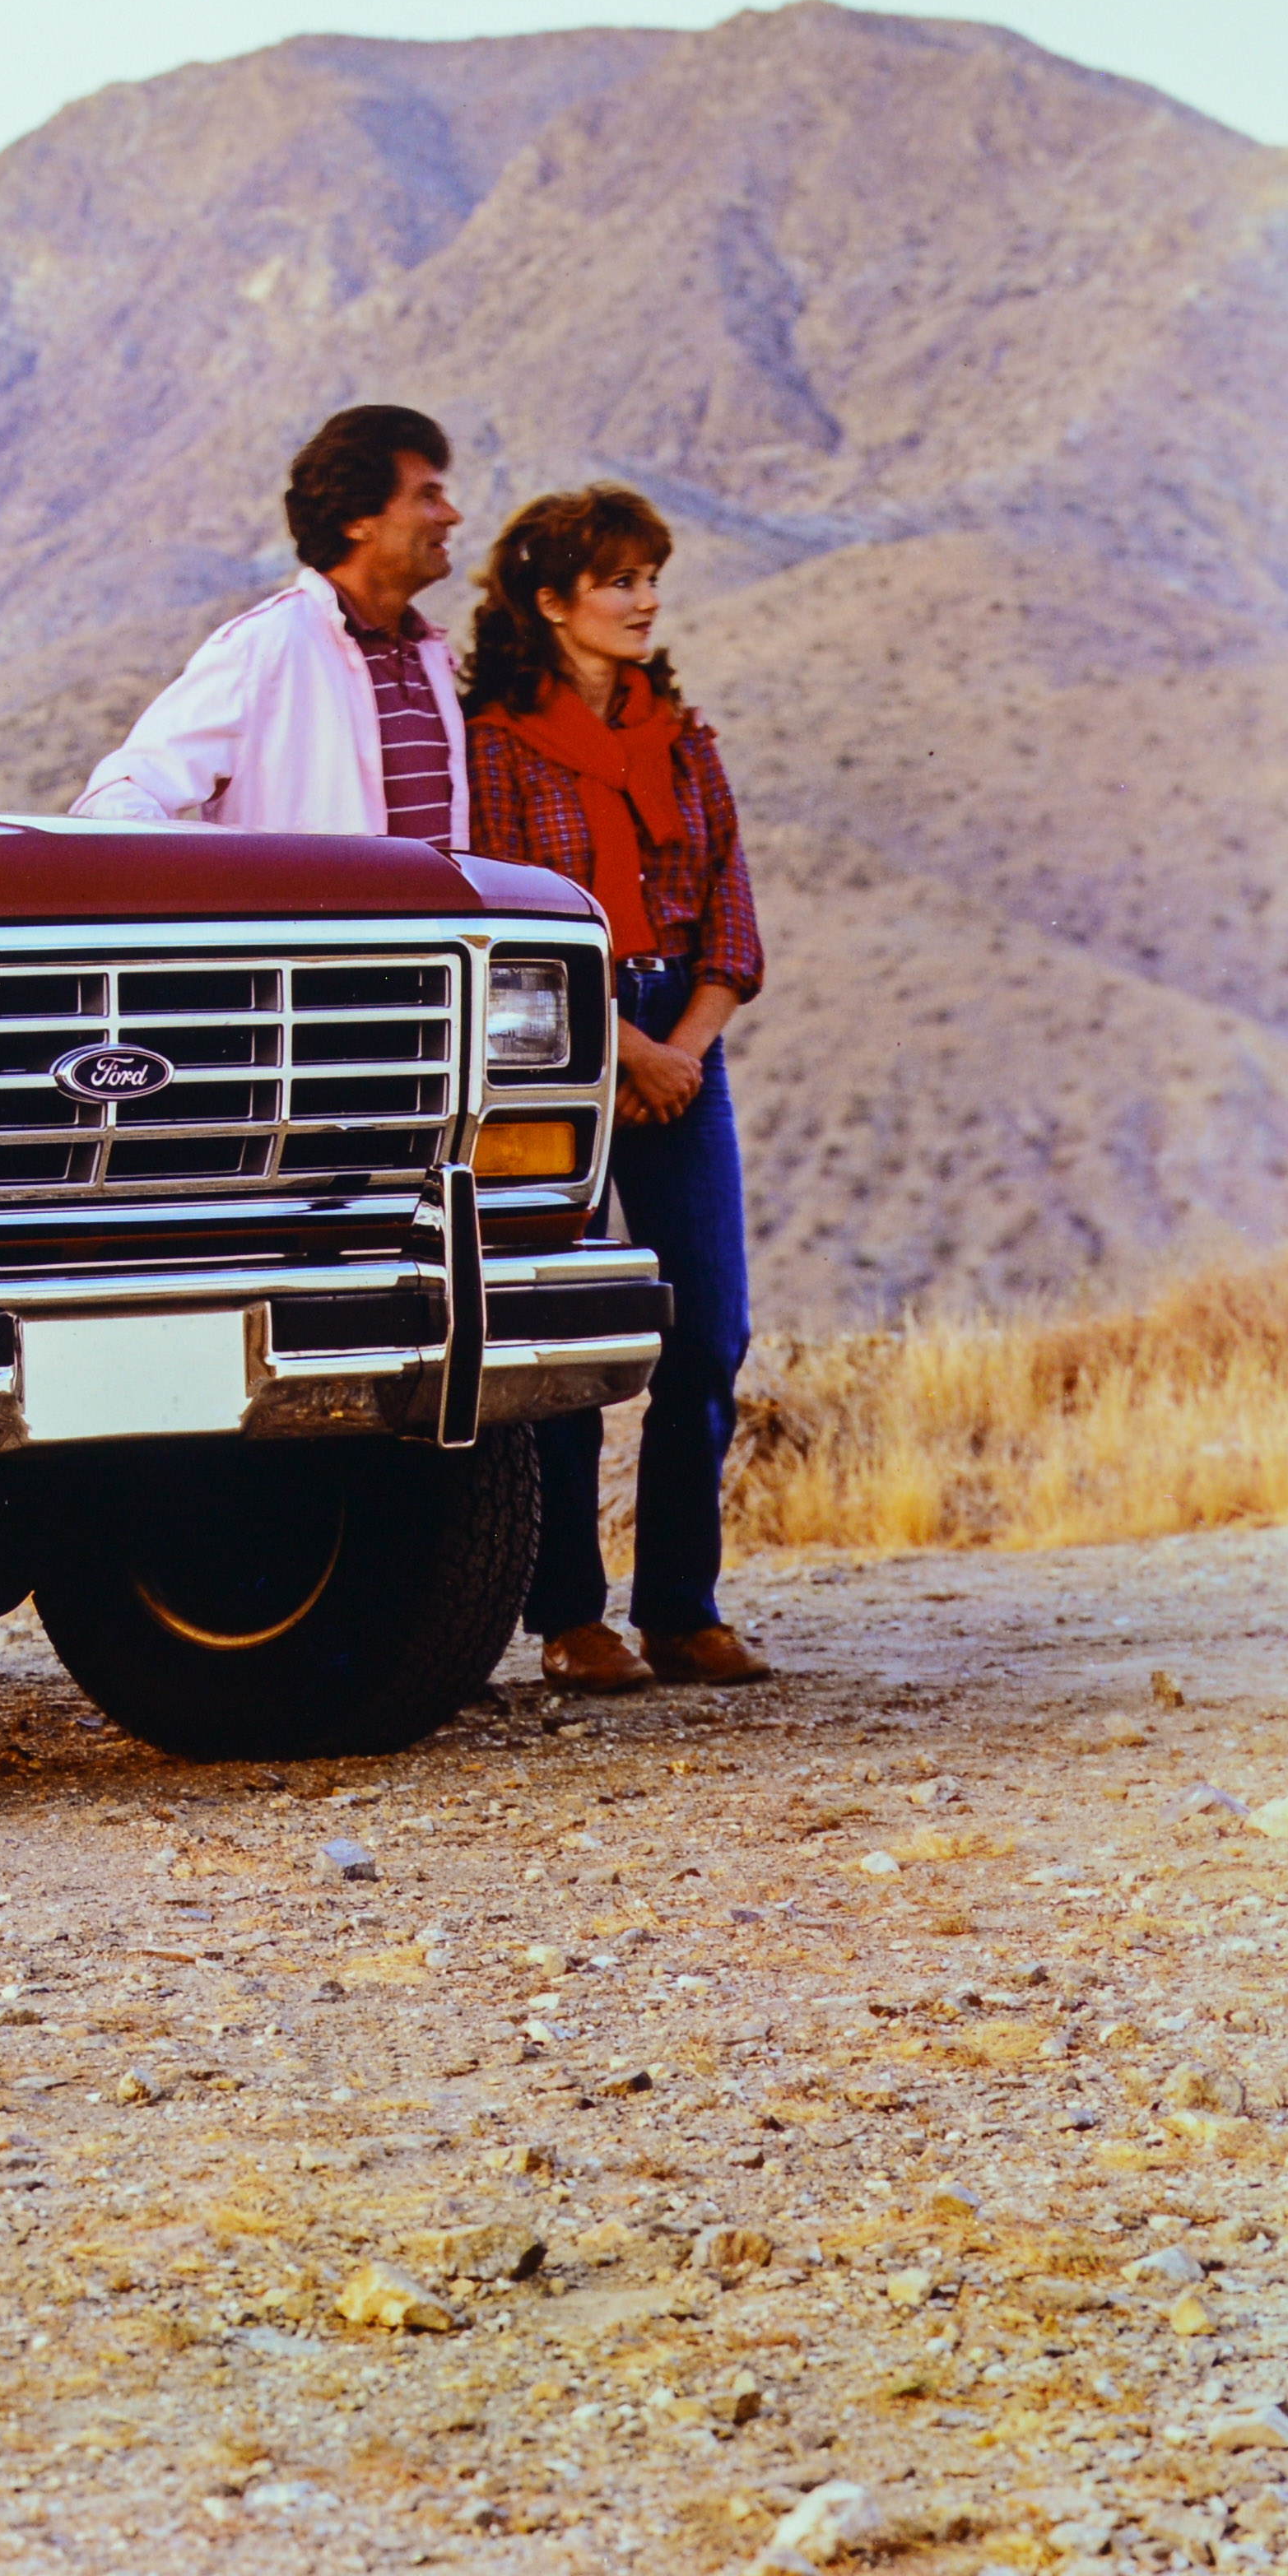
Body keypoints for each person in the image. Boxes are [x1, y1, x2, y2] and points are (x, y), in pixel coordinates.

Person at [460, 485, 773, 1691]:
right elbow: (491, 912)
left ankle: (684, 1606)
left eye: (652, 575)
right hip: (556, 1049)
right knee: (568, 1325)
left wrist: (681, 1044)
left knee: (708, 1322)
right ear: (549, 601)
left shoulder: (682, 737)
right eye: (617, 580)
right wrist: (622, 1049)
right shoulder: (491, 742)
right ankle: (569, 1616)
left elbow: (731, 915)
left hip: (681, 1043)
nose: (645, 600)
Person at [73, 405, 471, 843]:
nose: (452, 516)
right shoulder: (266, 647)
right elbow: (121, 797)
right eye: (428, 497)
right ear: (357, 520)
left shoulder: (427, 654)